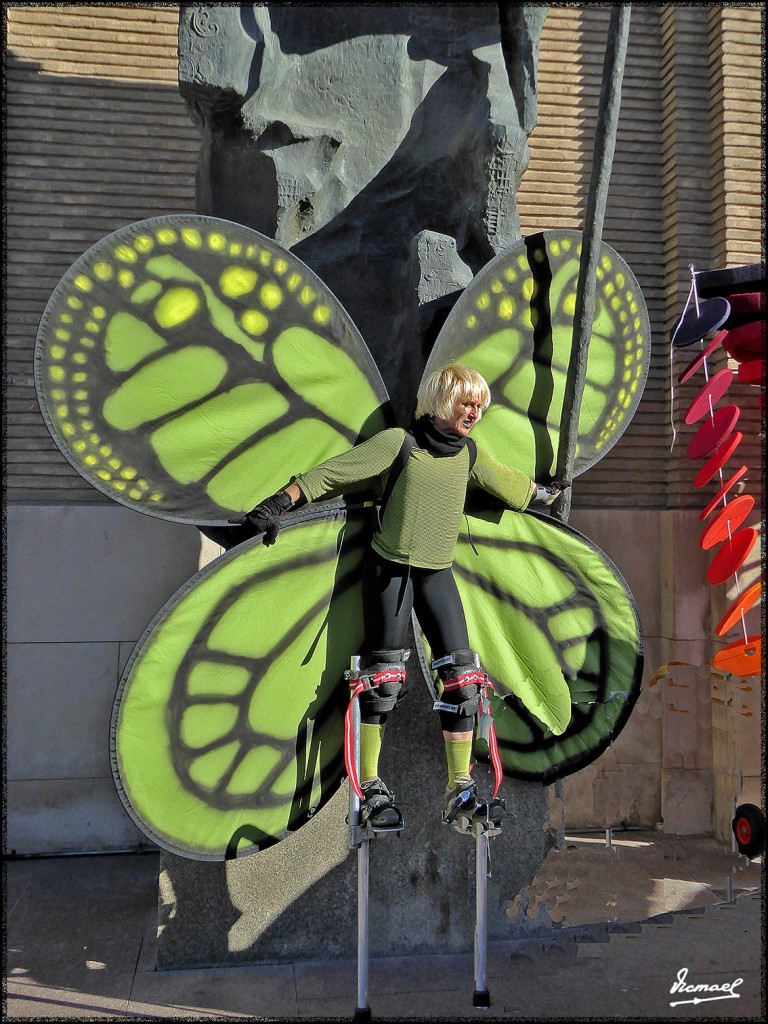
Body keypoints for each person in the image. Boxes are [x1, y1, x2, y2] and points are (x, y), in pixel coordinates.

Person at [245, 364, 562, 833]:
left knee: (465, 679)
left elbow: (509, 484)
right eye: (466, 403)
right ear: (441, 401)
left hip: (437, 574)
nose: (474, 412)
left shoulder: (469, 453)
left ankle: (460, 785)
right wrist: (280, 501)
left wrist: (547, 494)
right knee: (382, 681)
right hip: (390, 572)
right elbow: (336, 473)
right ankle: (371, 786)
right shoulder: (401, 444)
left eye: (480, 405)